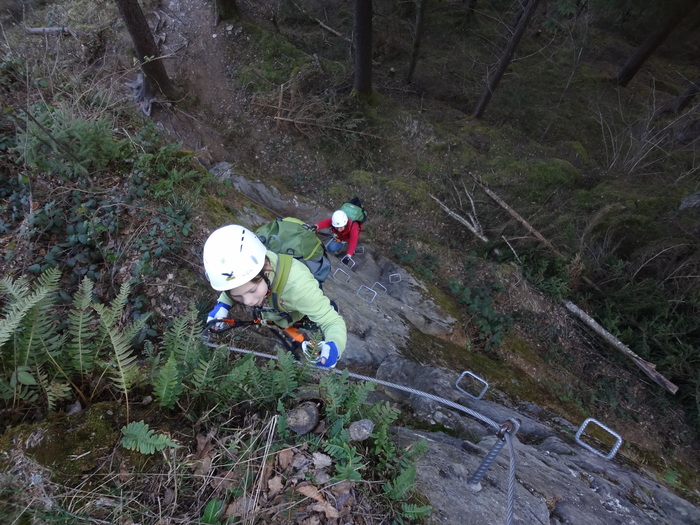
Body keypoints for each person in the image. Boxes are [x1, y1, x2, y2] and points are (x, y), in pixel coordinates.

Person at [203, 225, 346, 368]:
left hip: (298, 311)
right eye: (238, 296)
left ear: (266, 267)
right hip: (276, 308)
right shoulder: (251, 273)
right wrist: (222, 305)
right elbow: (237, 286)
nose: (248, 302)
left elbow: (331, 321)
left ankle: (320, 307)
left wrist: (335, 345)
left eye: (253, 290)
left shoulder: (298, 286)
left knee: (312, 321)